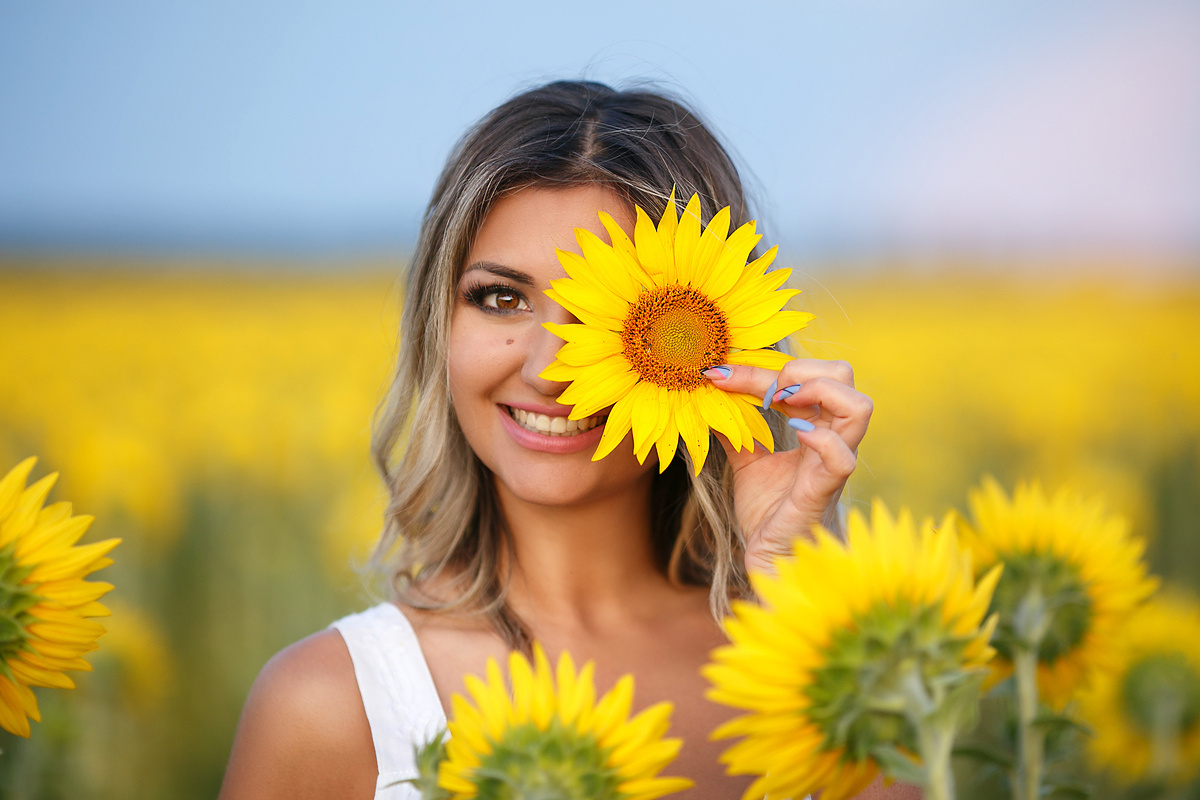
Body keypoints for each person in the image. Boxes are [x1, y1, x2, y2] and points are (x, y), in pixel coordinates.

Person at [218, 80, 901, 800]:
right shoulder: (331, 705)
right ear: (438, 326)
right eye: (501, 298)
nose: (548, 369)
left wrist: (807, 590)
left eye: (605, 318)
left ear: (711, 341)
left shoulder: (809, 668)